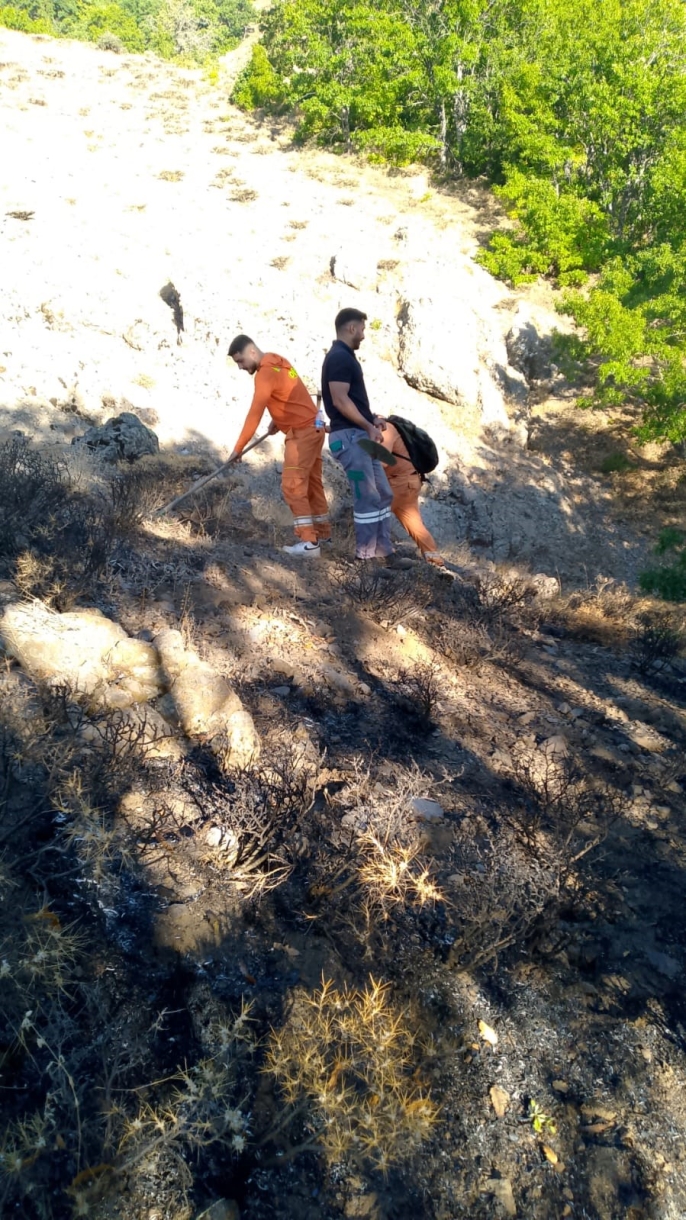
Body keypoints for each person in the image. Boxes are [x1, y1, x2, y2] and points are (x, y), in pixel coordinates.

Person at [227, 335, 330, 557]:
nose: (240, 367)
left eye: (240, 361)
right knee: (312, 484)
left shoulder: (265, 373)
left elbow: (254, 413)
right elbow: (291, 393)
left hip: (302, 434)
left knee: (293, 485)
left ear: (252, 352)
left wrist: (238, 448)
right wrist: (279, 418)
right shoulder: (280, 362)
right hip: (315, 428)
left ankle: (309, 542)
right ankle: (322, 534)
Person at [321, 308, 393, 561]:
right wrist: (368, 426)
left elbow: (349, 400)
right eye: (362, 329)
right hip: (349, 439)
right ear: (351, 328)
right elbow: (340, 401)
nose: (363, 335)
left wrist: (371, 419)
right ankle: (365, 556)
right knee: (367, 496)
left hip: (358, 436)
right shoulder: (339, 358)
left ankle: (383, 552)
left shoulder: (345, 357)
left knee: (383, 493)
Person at [378, 419, 444, 566]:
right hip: (411, 481)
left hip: (399, 482)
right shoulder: (391, 427)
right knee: (414, 524)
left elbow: (381, 462)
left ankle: (374, 556)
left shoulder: (385, 429)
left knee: (371, 513)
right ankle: (435, 561)